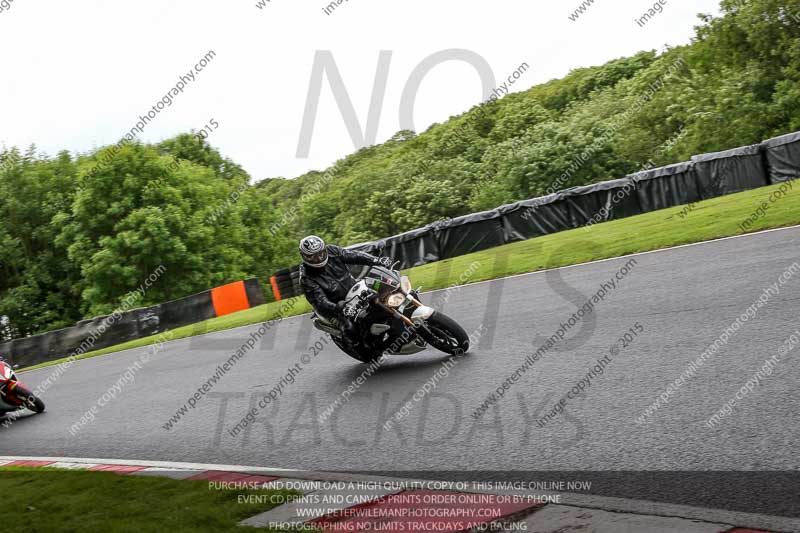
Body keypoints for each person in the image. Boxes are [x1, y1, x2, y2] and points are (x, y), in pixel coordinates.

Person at [299, 235, 392, 342]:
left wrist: (376, 260)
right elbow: (321, 302)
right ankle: (368, 352)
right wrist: (340, 308)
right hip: (336, 305)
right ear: (305, 257)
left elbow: (353, 255)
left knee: (383, 292)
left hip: (354, 289)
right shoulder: (306, 277)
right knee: (351, 331)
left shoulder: (332, 250)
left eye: (321, 253)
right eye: (314, 256)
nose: (319, 258)